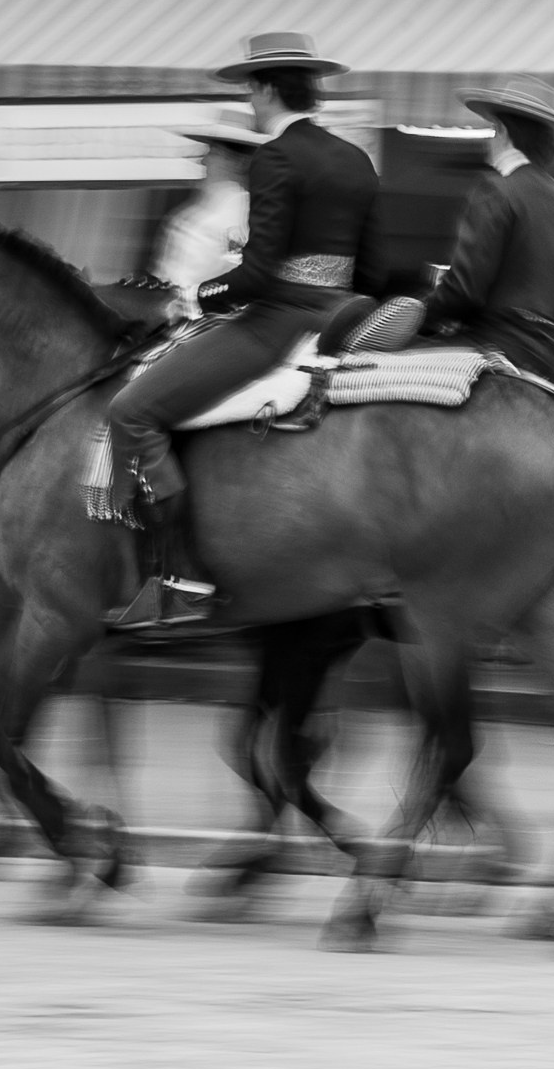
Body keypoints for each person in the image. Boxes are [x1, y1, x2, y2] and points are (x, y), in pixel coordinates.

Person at [103, 34, 382, 632]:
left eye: (248, 91)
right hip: (341, 312)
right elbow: (374, 263)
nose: (249, 103)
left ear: (264, 88)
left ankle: (181, 581)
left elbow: (257, 276)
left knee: (131, 411)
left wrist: (199, 296)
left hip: (278, 321)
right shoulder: (356, 158)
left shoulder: (276, 158)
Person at [417, 77, 554, 387]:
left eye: (493, 130)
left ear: (502, 132)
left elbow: (464, 292)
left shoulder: (496, 190)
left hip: (493, 345)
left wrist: (419, 316)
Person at [151, 109, 262, 320]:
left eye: (213, 152)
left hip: (206, 323)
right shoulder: (202, 212)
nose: (203, 161)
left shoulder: (240, 211)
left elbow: (239, 275)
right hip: (180, 317)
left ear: (238, 162)